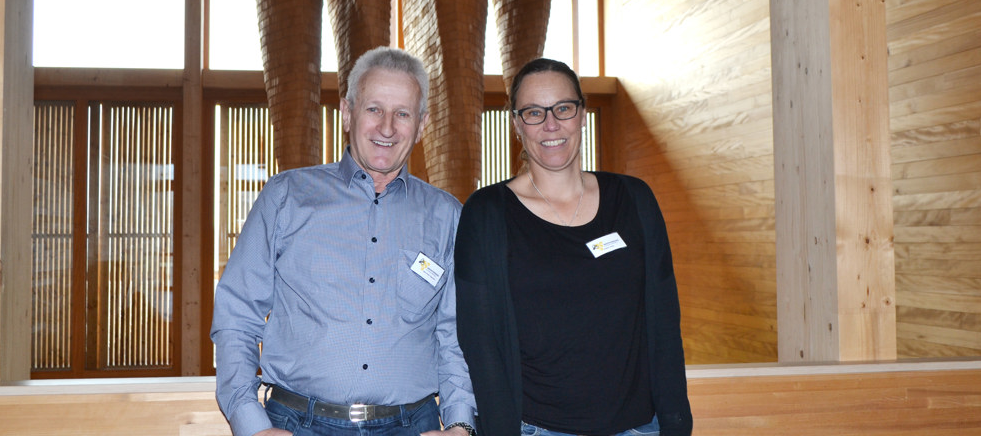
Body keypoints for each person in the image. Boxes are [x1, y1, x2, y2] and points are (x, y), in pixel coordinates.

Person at [212, 46, 477, 436]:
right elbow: (237, 315)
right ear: (347, 114)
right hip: (294, 424)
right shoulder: (287, 197)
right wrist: (249, 422)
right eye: (374, 109)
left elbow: (455, 335)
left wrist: (458, 424)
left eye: (402, 114)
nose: (387, 128)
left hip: (412, 426)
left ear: (421, 125)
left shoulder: (448, 217)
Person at [454, 58, 692, 436]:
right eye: (534, 112)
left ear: (581, 114)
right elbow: (480, 344)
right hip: (537, 428)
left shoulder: (634, 199)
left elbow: (664, 320)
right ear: (517, 124)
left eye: (563, 108)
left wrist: (676, 423)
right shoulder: (486, 214)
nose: (551, 124)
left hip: (638, 428)